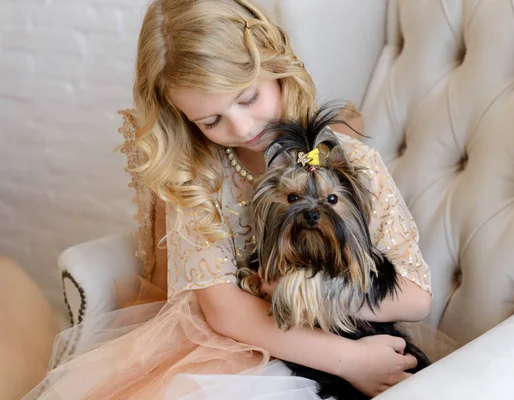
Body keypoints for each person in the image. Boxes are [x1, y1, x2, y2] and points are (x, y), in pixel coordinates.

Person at [25, 1, 454, 399]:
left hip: (344, 331)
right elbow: (225, 312)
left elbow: (416, 297)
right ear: (184, 120)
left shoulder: (352, 160)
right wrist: (351, 361)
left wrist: (300, 292)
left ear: (276, 63)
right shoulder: (197, 177)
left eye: (248, 97)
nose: (243, 125)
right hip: (238, 346)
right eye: (211, 120)